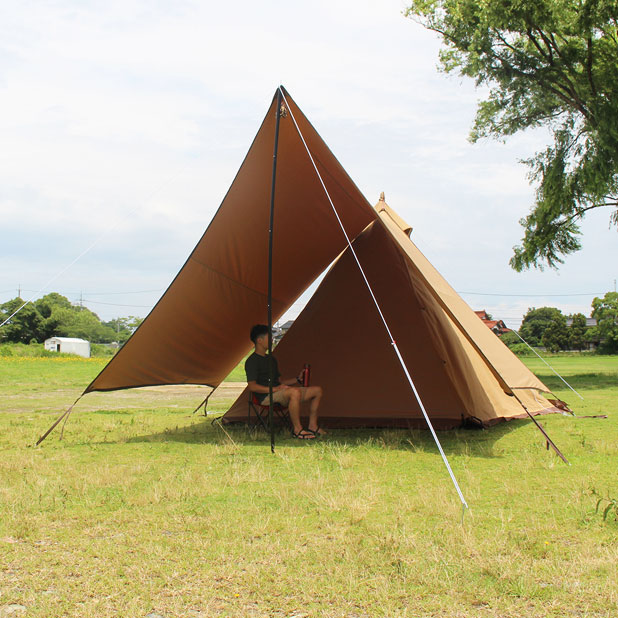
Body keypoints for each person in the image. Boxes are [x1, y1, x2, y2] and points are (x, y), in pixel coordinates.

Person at [245, 324, 325, 439]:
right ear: (259, 340)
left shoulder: (271, 359)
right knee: (294, 392)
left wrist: (297, 379)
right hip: (265, 397)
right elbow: (252, 387)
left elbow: (280, 381)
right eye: (269, 337)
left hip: (280, 392)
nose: (272, 340)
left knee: (317, 390)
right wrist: (276, 389)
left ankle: (313, 426)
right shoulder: (252, 361)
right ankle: (297, 430)